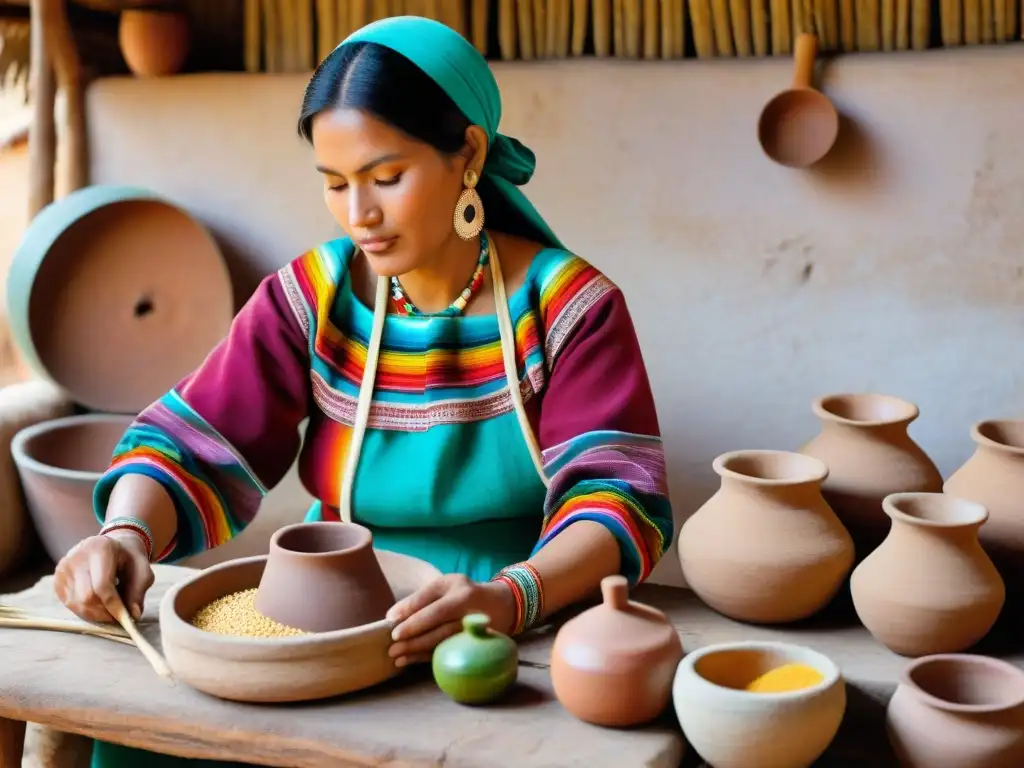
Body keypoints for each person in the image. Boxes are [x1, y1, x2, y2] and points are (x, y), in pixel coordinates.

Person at [53, 16, 674, 768]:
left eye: (386, 178)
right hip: (324, 611)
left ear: (468, 154)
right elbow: (194, 441)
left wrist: (509, 600)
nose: (360, 215)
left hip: (499, 626)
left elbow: (618, 501)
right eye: (335, 184)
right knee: (137, 739)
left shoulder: (568, 307)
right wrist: (125, 534)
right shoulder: (317, 295)